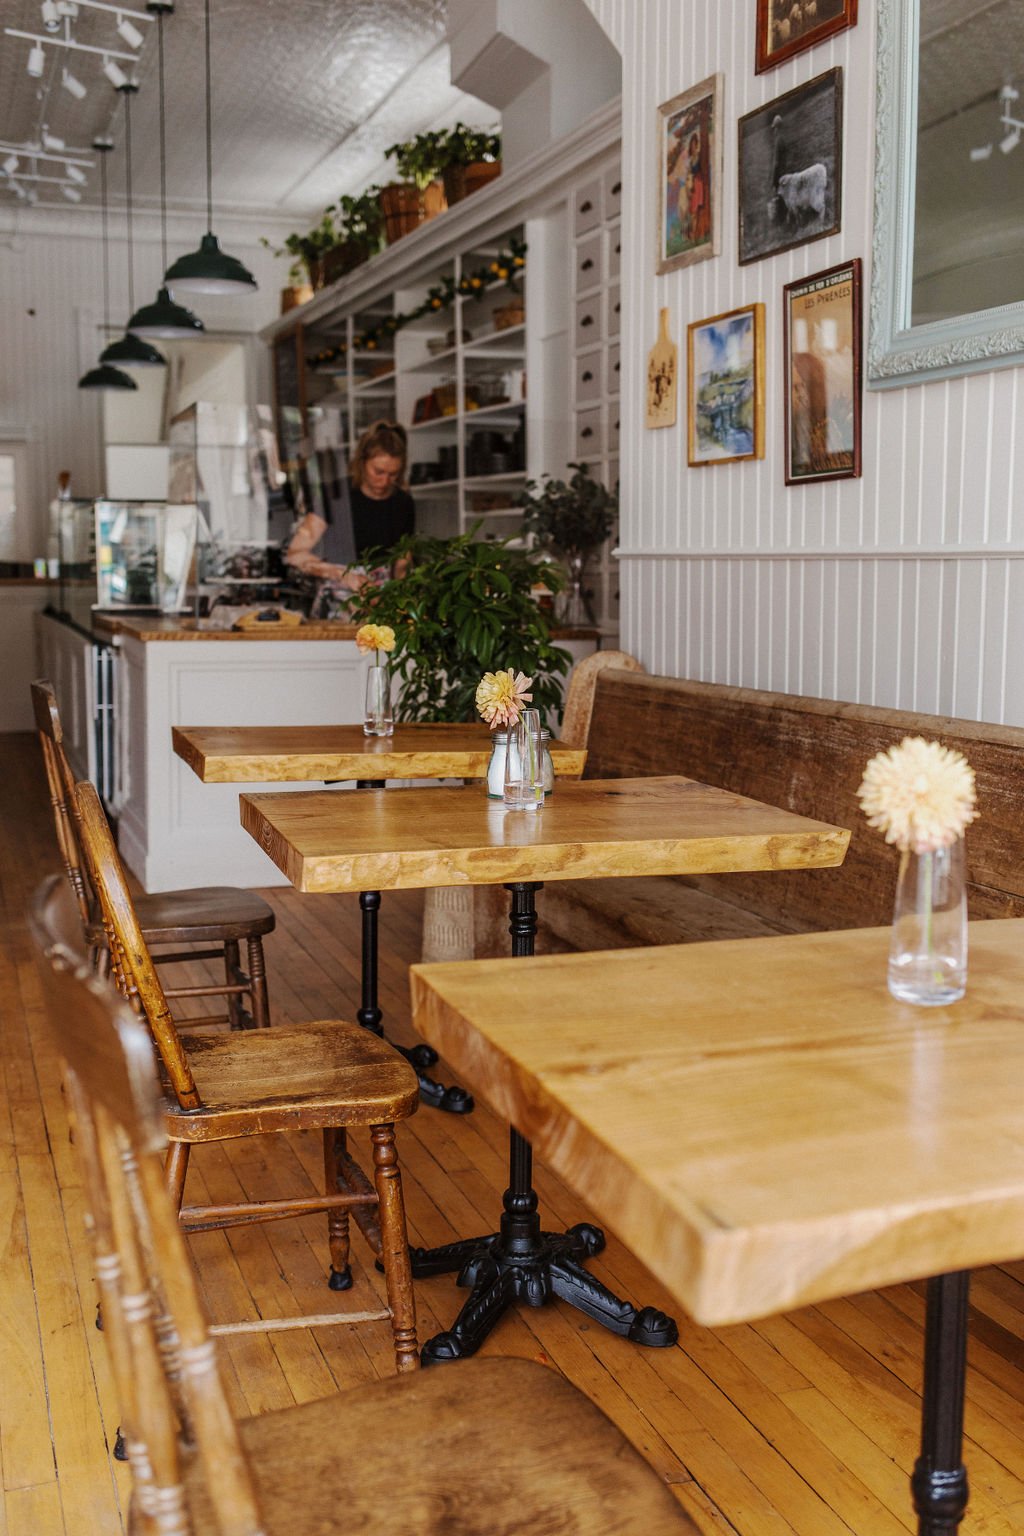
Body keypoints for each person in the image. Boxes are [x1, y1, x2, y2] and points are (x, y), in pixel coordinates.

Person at [285, 419, 414, 596]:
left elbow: (402, 562)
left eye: (393, 474)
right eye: (378, 472)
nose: (385, 481)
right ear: (362, 462)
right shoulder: (336, 496)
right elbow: (296, 554)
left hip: (381, 601)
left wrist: (403, 598)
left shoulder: (403, 502)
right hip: (337, 599)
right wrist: (343, 575)